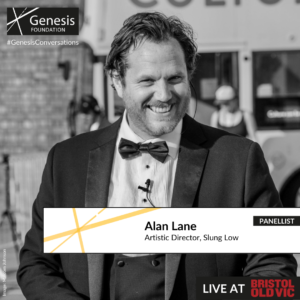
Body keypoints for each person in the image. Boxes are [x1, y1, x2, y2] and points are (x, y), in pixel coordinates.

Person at [17, 12, 297, 300]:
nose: (163, 95)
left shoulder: (239, 158)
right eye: (147, 80)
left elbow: (276, 271)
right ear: (116, 80)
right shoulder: (66, 160)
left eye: (175, 78)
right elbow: (36, 264)